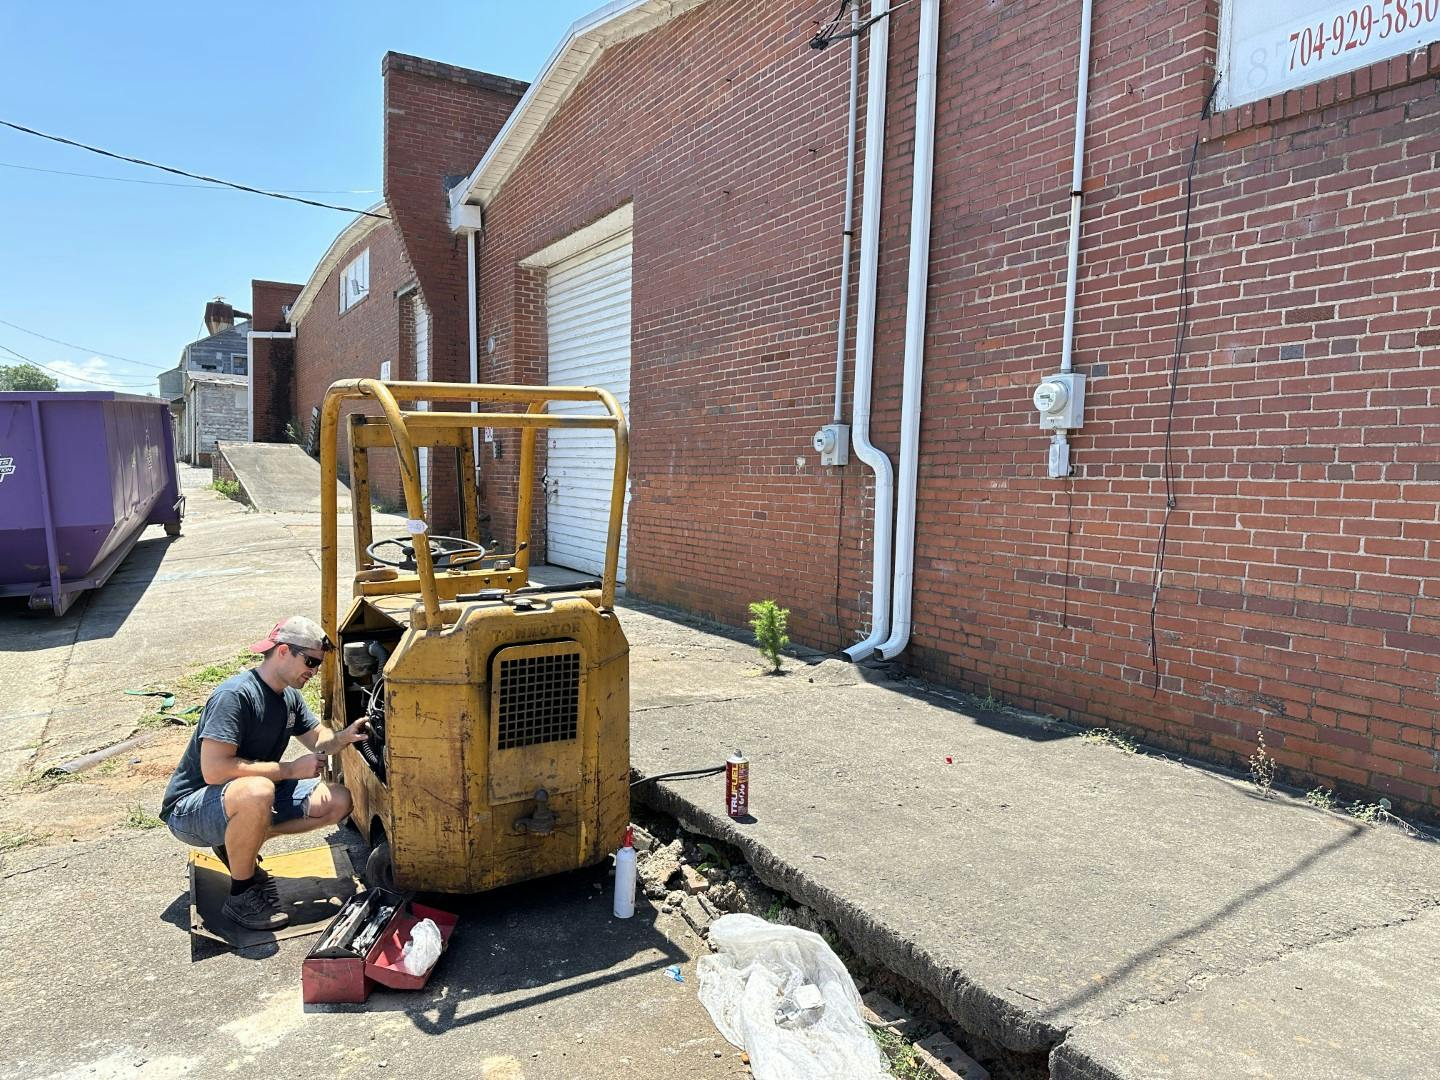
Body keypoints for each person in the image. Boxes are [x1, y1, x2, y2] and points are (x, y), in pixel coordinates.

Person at [159, 616, 368, 931]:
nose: (313, 671)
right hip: (191, 809)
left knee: (337, 800)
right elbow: (215, 771)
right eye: (310, 661)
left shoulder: (289, 697)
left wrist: (343, 737)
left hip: (241, 799)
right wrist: (289, 770)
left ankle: (238, 843)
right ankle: (241, 894)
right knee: (258, 790)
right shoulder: (235, 695)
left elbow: (318, 740)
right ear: (283, 651)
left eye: (319, 665)